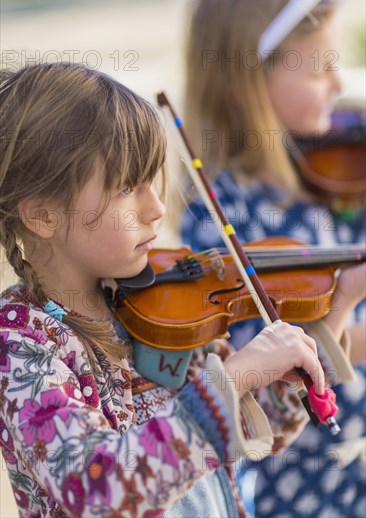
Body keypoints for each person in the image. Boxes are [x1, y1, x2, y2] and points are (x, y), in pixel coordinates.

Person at [0, 62, 352, 518]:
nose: (157, 208)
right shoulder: (23, 343)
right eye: (127, 188)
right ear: (43, 216)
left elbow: (252, 435)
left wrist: (334, 311)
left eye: (151, 181)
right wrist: (234, 377)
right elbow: (100, 491)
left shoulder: (155, 307)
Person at [180, 0, 366, 516]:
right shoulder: (221, 209)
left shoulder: (332, 166)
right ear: (250, 82)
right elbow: (255, 357)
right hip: (310, 477)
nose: (339, 84)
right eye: (322, 67)